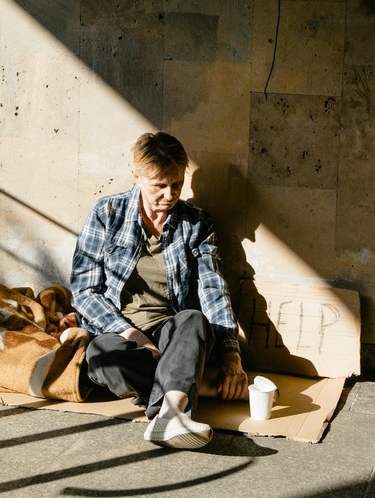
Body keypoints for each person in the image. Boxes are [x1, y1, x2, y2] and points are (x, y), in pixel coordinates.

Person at [70, 131, 248, 449]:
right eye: (159, 185)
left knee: (194, 321)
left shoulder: (196, 223)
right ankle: (176, 392)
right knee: (99, 356)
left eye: (177, 184)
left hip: (173, 335)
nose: (170, 194)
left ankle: (170, 413)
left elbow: (212, 288)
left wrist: (231, 354)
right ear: (137, 176)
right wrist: (131, 335)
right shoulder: (107, 213)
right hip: (122, 336)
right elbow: (85, 290)